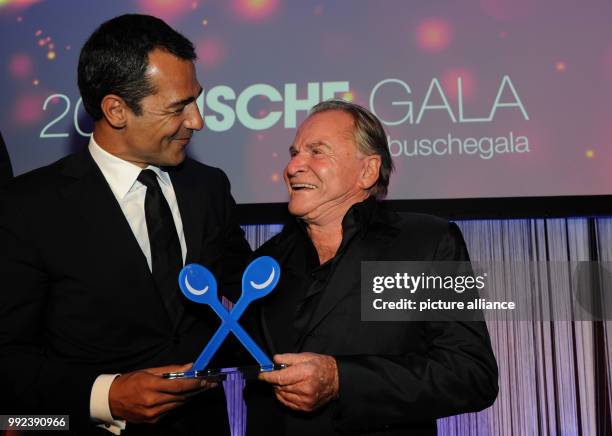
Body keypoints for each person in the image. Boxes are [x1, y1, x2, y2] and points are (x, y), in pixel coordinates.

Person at [0, 14, 252, 435]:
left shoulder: (208, 187)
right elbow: (8, 357)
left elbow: (248, 291)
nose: (197, 121)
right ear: (116, 110)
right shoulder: (26, 208)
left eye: (196, 100)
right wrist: (108, 396)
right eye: (178, 107)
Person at [245, 100, 498, 435]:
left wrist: (342, 380)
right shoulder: (266, 262)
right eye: (294, 153)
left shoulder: (424, 242)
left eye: (316, 151)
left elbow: (470, 374)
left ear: (367, 171)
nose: (293, 167)